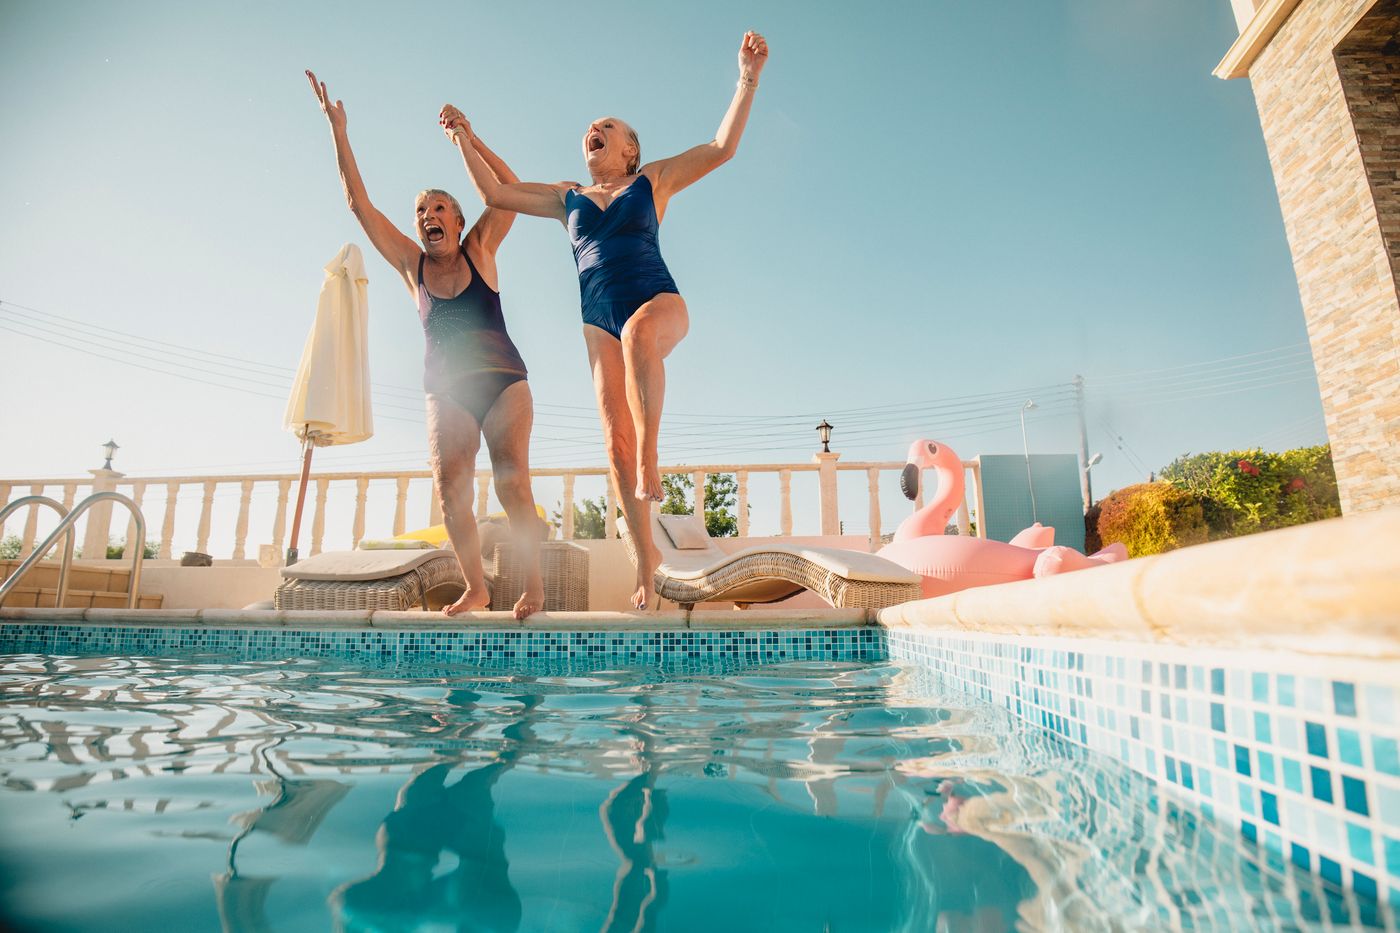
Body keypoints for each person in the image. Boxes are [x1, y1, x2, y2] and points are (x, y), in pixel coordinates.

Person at [440, 30, 769, 609]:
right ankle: (647, 561)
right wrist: (465, 136)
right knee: (612, 440)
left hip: (656, 297)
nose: (594, 129)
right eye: (590, 129)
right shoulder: (566, 194)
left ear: (630, 151)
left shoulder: (653, 180)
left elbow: (721, 148)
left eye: (607, 127)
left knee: (641, 340)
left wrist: (747, 76)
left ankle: (652, 456)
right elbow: (495, 191)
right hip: (597, 318)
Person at [306, 70, 544, 619]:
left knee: (512, 482)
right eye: (421, 212)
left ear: (459, 222)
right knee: (450, 484)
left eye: (439, 208)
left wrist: (469, 136)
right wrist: (337, 129)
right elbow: (359, 205)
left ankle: (532, 587)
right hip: (448, 389)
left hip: (504, 381)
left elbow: (509, 189)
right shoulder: (412, 267)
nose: (428, 216)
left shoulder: (481, 247)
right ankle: (477, 587)